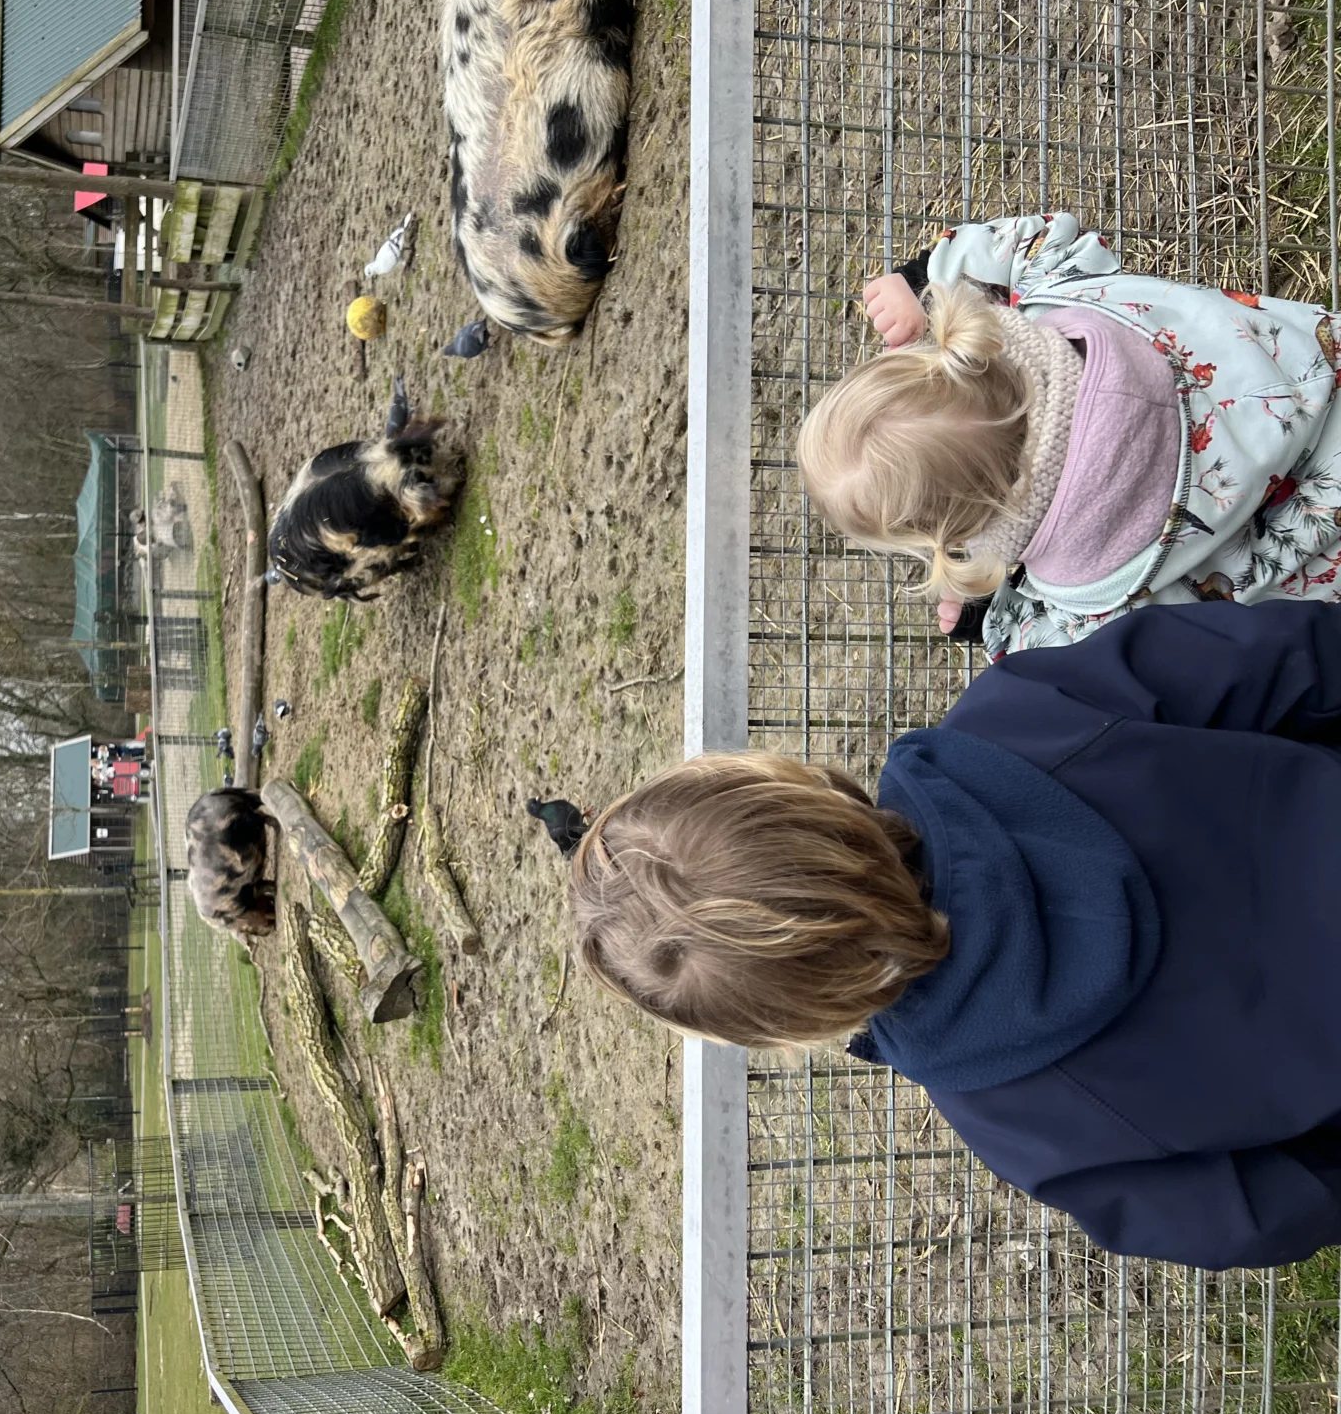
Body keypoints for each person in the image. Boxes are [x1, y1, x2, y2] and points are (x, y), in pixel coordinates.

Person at [568, 600, 1341, 1270]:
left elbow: (1260, 1216)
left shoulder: (1024, 1130)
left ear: (787, 1021)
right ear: (790, 786)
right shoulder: (1020, 715)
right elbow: (1281, 657)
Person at [798, 212, 1341, 657]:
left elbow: (1037, 656)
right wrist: (924, 280)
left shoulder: (1083, 601)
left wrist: (986, 609)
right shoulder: (1062, 292)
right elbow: (1029, 241)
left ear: (948, 536)